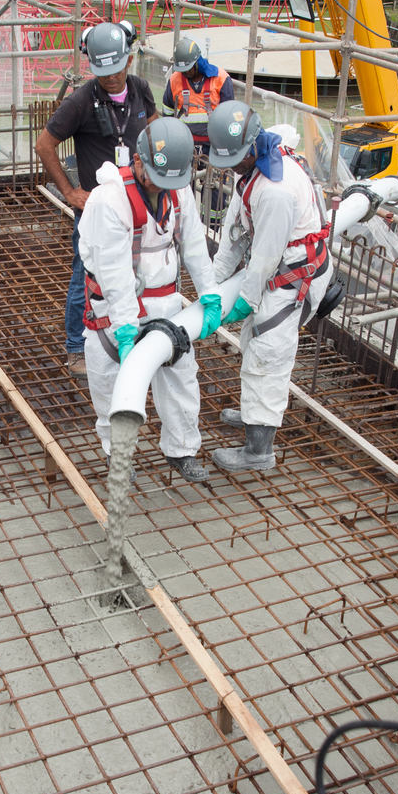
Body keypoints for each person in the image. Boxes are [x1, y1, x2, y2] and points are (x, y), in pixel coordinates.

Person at [78, 118, 222, 483]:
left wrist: (209, 292)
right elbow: (114, 273)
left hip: (167, 304)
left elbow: (193, 245)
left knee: (181, 379)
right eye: (156, 178)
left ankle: (182, 450)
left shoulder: (178, 189)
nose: (163, 187)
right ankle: (118, 456)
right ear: (138, 162)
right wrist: (127, 330)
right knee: (113, 384)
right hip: (113, 308)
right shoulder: (109, 200)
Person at [205, 100, 334, 474]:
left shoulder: (275, 191)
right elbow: (234, 232)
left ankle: (258, 451)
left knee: (267, 351)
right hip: (279, 265)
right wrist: (213, 284)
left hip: (294, 276)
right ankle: (252, 413)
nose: (230, 166)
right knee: (252, 339)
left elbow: (263, 257)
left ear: (251, 147)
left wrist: (244, 299)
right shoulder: (251, 167)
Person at [36, 21, 158, 378]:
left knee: (138, 268)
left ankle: (133, 331)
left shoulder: (141, 90)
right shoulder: (81, 101)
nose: (112, 78)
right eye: (104, 72)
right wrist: (71, 192)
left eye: (117, 69)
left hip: (137, 201)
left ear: (129, 60)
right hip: (99, 209)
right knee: (86, 275)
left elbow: (154, 132)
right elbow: (44, 145)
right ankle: (76, 345)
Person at [161, 37, 234, 147]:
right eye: (183, 70)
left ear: (197, 62)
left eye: (189, 68)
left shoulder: (221, 78)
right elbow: (167, 112)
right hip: (184, 144)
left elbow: (229, 116)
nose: (185, 72)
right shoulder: (174, 80)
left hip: (213, 145)